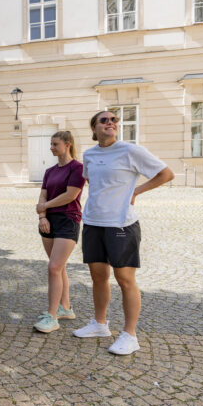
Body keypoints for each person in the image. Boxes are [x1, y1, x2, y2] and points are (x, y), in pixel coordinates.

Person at [73, 110, 174, 355]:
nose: (111, 123)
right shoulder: (89, 155)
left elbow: (166, 174)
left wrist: (136, 191)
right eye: (104, 120)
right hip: (94, 222)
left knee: (125, 280)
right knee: (98, 276)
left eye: (114, 120)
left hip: (121, 224)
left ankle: (130, 335)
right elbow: (91, 182)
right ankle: (100, 324)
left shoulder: (131, 151)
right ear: (94, 128)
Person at [33, 131, 85, 333]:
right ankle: (66, 308)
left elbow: (70, 195)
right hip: (48, 221)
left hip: (68, 219)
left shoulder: (78, 168)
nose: (51, 147)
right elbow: (42, 195)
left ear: (68, 145)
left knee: (54, 267)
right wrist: (42, 216)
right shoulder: (49, 171)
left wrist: (45, 206)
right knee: (59, 267)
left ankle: (52, 317)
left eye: (55, 144)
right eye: (51, 144)